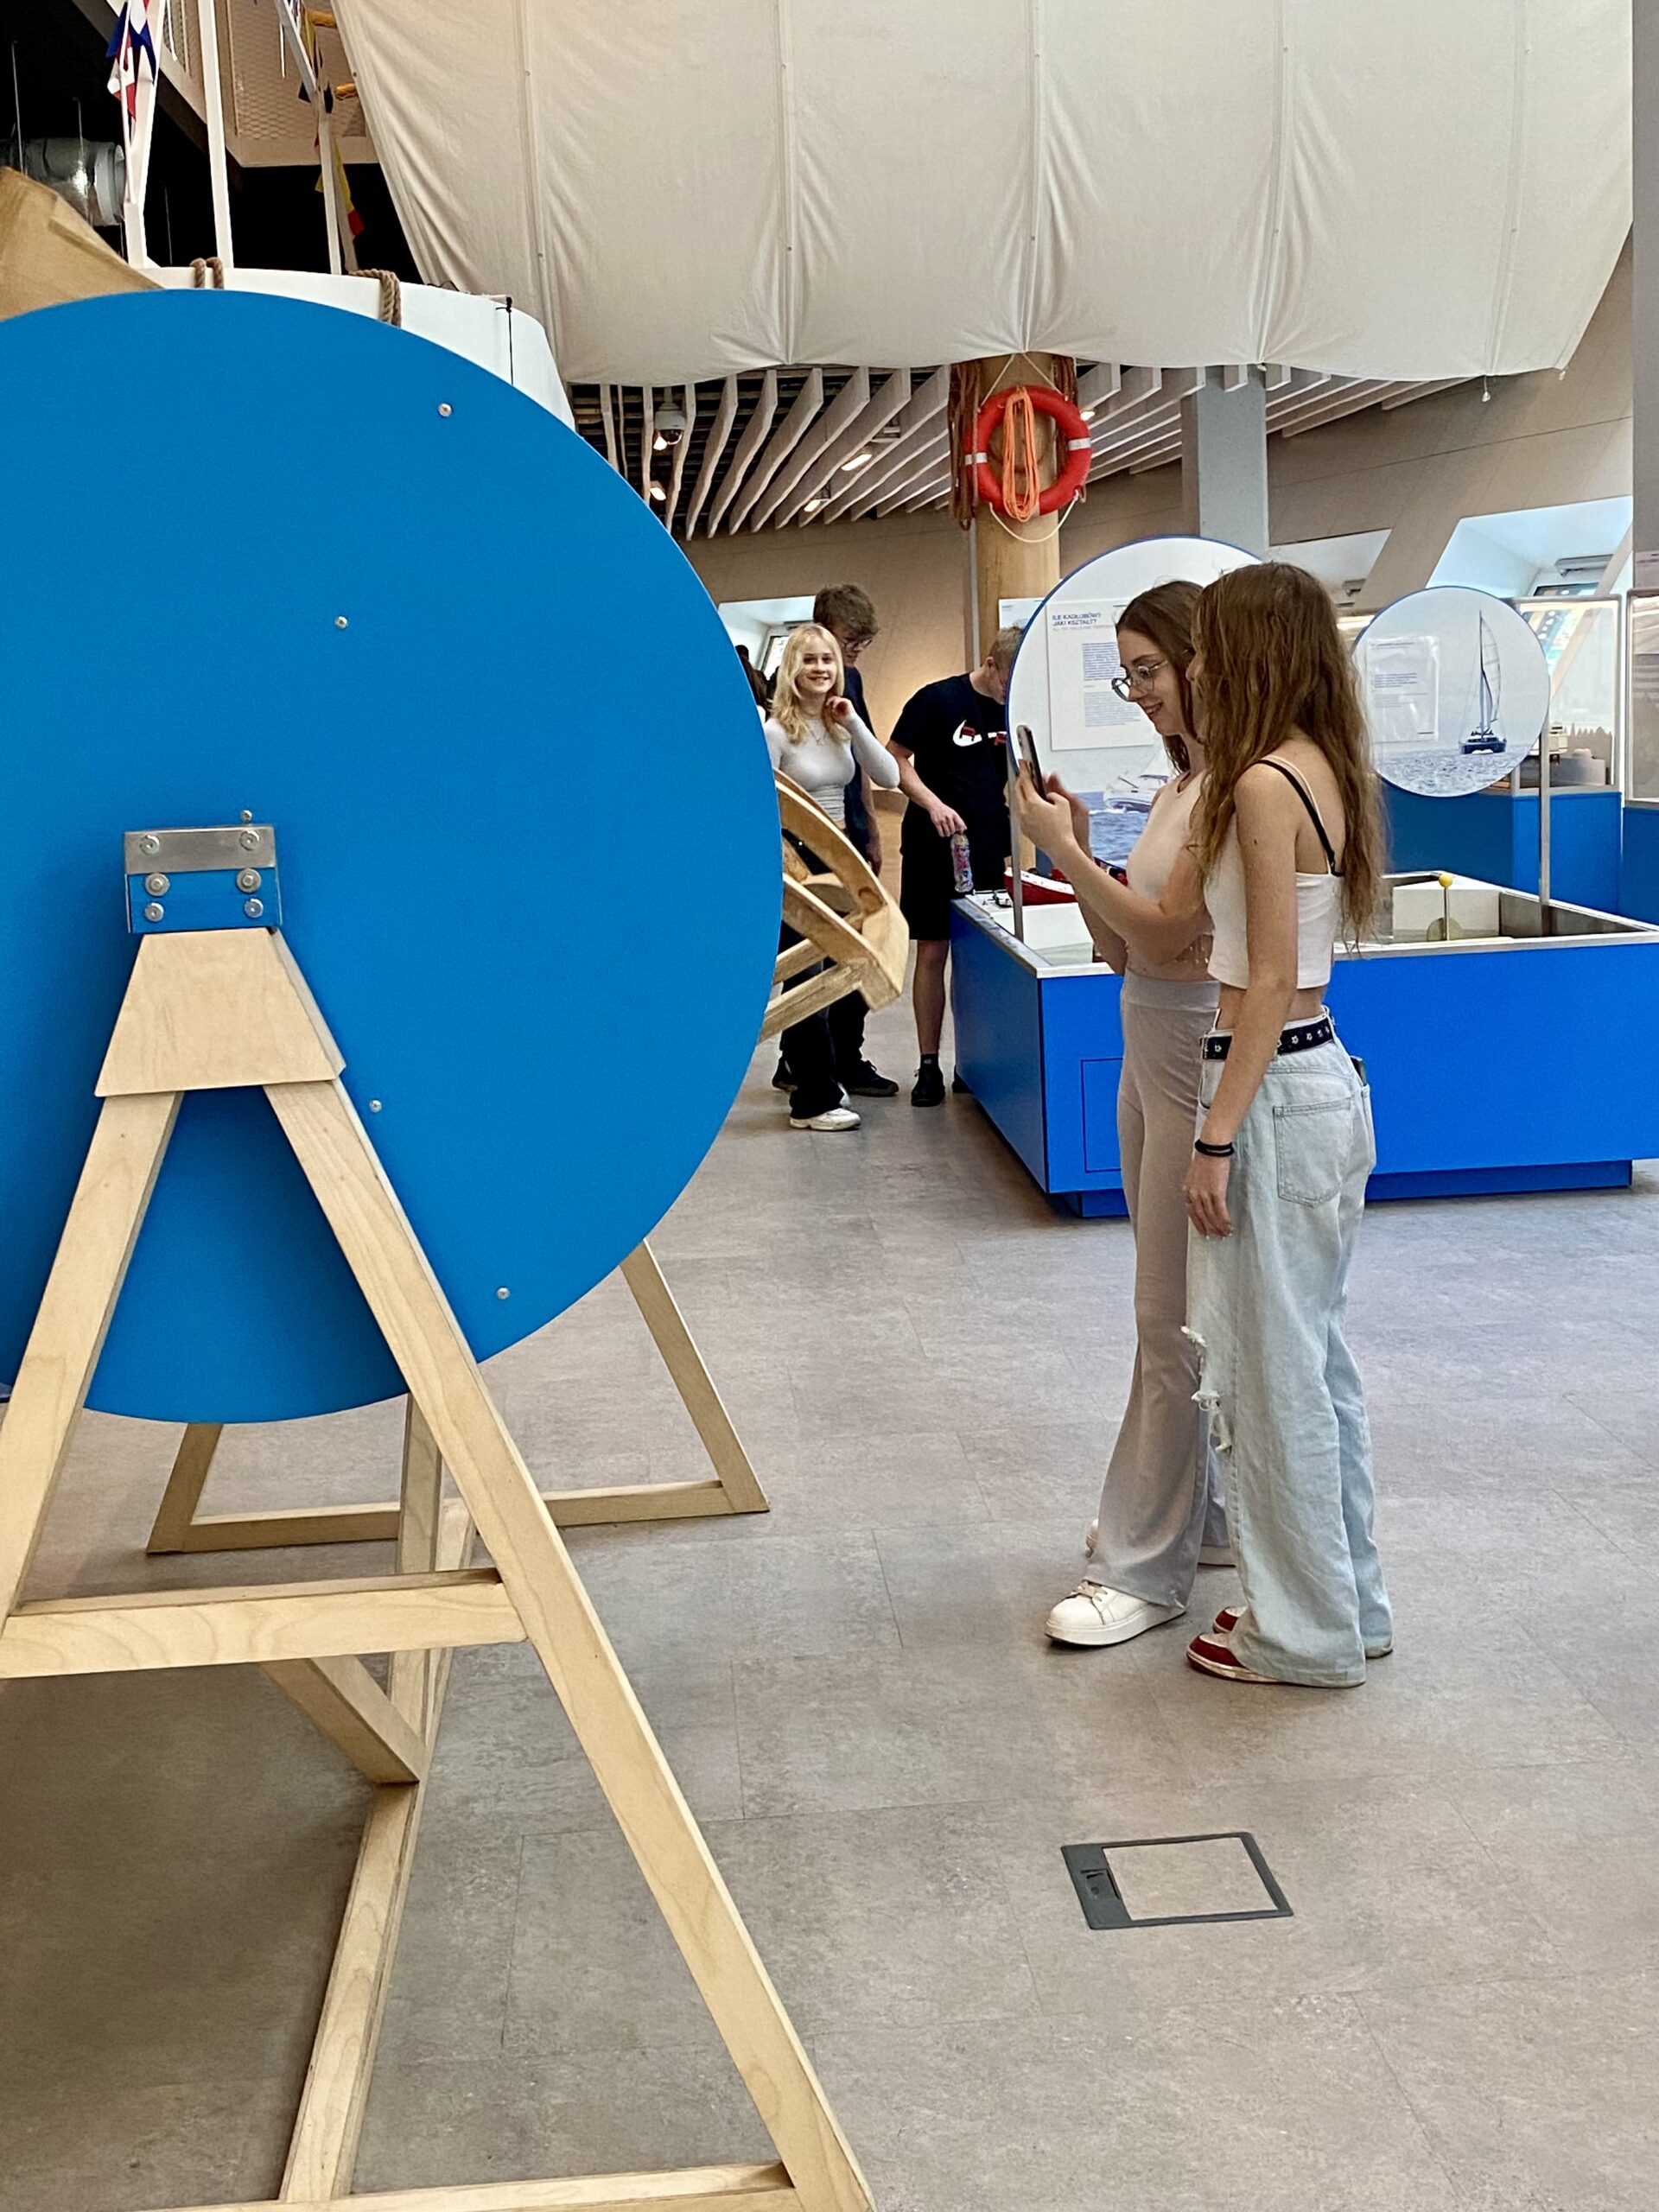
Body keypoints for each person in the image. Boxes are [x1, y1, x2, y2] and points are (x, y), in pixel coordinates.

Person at [1020, 562, 1390, 1691]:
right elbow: (1170, 945)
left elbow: (1254, 975)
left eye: (1177, 661)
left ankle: (1293, 1622)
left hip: (1251, 1074)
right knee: (1295, 1359)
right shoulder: (1290, 772)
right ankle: (1337, 1599)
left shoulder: (1262, 783)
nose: (1172, 680)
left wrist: (1217, 1137)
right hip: (1263, 1070)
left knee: (1259, 1365)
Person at [1024, 583, 1233, 1652]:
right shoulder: (1182, 787)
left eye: (1150, 670)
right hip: (1151, 1044)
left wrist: (1063, 853)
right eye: (1130, 674)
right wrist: (1074, 853)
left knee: (1169, 1314)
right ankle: (1201, 1517)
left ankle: (1144, 1566)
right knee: (1172, 1303)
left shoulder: (1232, 787)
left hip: (1191, 1052)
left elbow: (1163, 937)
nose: (1141, 691)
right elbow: (1126, 946)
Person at [765, 622, 899, 1133]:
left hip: (841, 857)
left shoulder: (839, 724)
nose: (819, 669)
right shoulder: (776, 731)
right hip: (797, 861)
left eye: (827, 660)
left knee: (840, 972)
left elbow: (889, 776)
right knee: (806, 978)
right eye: (809, 660)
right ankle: (813, 1101)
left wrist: (854, 723)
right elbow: (758, 805)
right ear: (791, 668)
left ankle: (815, 1074)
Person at [890, 628, 1020, 1105]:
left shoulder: (1014, 707)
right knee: (933, 951)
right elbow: (895, 758)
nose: (1008, 691)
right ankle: (929, 1065)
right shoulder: (937, 700)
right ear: (990, 664)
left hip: (985, 845)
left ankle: (976, 1062)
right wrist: (933, 804)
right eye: (1005, 681)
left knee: (981, 955)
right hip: (931, 845)